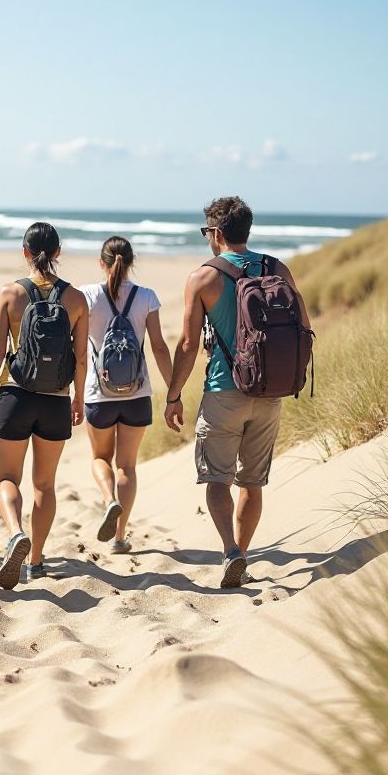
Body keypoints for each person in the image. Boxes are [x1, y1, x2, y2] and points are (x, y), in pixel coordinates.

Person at [163, 196, 311, 588]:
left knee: (217, 480)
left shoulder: (203, 278)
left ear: (215, 233)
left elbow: (188, 344)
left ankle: (229, 549)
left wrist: (173, 394)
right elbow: (305, 327)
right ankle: (242, 557)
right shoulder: (276, 269)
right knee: (253, 483)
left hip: (223, 392)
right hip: (270, 393)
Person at [0, 222, 88, 589]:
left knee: (8, 479)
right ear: (57, 253)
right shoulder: (75, 299)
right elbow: (82, 357)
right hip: (55, 401)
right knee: (45, 485)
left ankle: (14, 534)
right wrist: (78, 398)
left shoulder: (9, 294)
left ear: (24, 252)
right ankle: (36, 559)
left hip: (15, 396)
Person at [81, 236, 173, 553]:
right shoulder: (146, 297)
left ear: (101, 262)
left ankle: (108, 500)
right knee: (127, 467)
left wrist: (72, 390)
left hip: (99, 394)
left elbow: (78, 349)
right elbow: (159, 347)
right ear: (131, 262)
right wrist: (173, 392)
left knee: (99, 459)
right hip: (137, 395)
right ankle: (120, 538)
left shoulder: (88, 296)